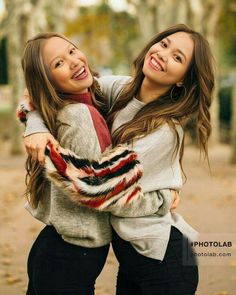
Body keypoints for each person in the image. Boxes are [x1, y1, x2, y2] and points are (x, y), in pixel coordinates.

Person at [20, 24, 215, 294]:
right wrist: (37, 128)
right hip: (132, 259)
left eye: (178, 58)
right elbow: (46, 93)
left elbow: (102, 191)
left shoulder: (165, 131)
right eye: (164, 44)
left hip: (163, 263)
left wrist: (165, 199)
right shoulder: (120, 91)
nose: (163, 54)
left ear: (183, 78)